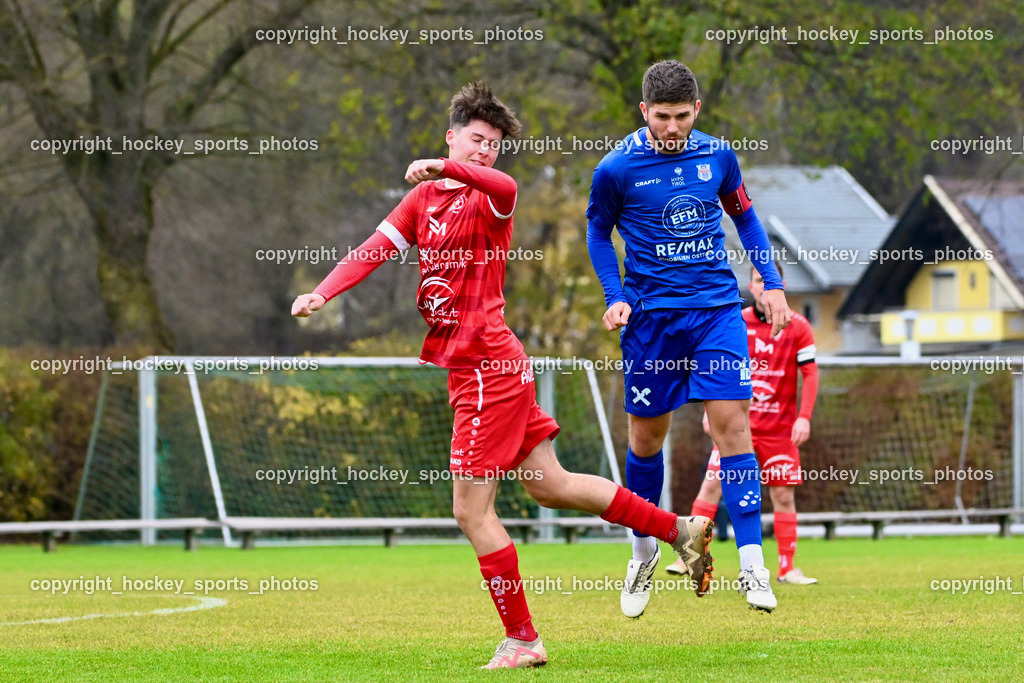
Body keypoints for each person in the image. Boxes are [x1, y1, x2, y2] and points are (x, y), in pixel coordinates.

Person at [291, 81, 714, 669]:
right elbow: (374, 247)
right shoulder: (422, 203)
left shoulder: (490, 197)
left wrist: (447, 166)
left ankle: (524, 639)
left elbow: (505, 185)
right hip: (480, 370)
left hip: (489, 368)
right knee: (551, 485)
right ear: (452, 134)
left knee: (470, 512)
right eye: (475, 140)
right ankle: (680, 530)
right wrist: (323, 291)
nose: (484, 151)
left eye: (492, 144)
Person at [586, 60, 792, 616]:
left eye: (681, 116)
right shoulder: (616, 170)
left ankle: (752, 564)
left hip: (716, 312)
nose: (672, 127)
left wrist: (769, 283)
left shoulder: (718, 157)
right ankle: (643, 551)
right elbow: (598, 233)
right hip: (652, 322)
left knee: (733, 430)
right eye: (662, 117)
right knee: (646, 441)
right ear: (644, 112)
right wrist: (615, 295)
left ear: (696, 110)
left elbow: (746, 220)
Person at [668, 264, 819, 584]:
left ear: (781, 284)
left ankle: (787, 568)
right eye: (757, 281)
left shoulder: (798, 326)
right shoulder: (737, 323)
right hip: (738, 429)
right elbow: (715, 367)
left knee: (783, 497)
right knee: (710, 486)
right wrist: (710, 412)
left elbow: (810, 373)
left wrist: (804, 416)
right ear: (750, 286)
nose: (763, 287)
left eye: (768, 281)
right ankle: (691, 559)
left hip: (780, 431)